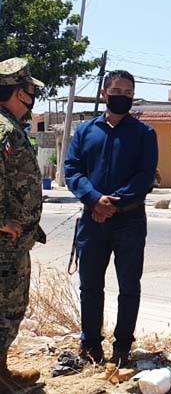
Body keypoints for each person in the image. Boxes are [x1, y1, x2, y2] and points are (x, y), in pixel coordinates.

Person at [64, 70, 158, 366]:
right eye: (117, 90)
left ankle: (122, 348)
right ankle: (90, 344)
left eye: (128, 92)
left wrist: (112, 203)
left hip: (129, 221)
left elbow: (145, 176)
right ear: (104, 93)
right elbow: (72, 170)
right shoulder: (85, 131)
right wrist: (94, 199)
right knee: (90, 285)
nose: (123, 95)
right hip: (92, 220)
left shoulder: (144, 134)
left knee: (129, 286)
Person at [0, 57, 46, 390]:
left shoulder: (9, 126)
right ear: (19, 92)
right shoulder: (4, 129)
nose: (33, 99)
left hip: (15, 240)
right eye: (31, 91)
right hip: (5, 243)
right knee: (7, 309)